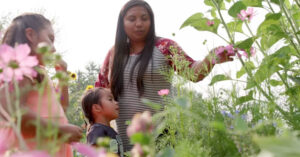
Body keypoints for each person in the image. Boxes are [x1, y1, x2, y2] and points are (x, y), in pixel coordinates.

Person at [95, 0, 234, 151]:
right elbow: (98, 92)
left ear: (151, 21)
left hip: (163, 136)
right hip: (123, 141)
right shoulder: (114, 53)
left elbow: (193, 72)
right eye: (132, 19)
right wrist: (94, 127)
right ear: (122, 23)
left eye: (144, 18)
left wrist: (210, 58)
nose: (139, 23)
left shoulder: (165, 47)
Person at [0, 13, 83, 156]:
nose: (54, 48)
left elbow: (61, 106)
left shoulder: (38, 73)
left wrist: (62, 78)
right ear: (30, 35)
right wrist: (60, 131)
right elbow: (11, 109)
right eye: (50, 39)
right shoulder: (21, 68)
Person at [81, 87, 124, 157]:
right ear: (97, 108)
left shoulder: (108, 130)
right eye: (110, 100)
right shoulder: (96, 130)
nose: (116, 102)